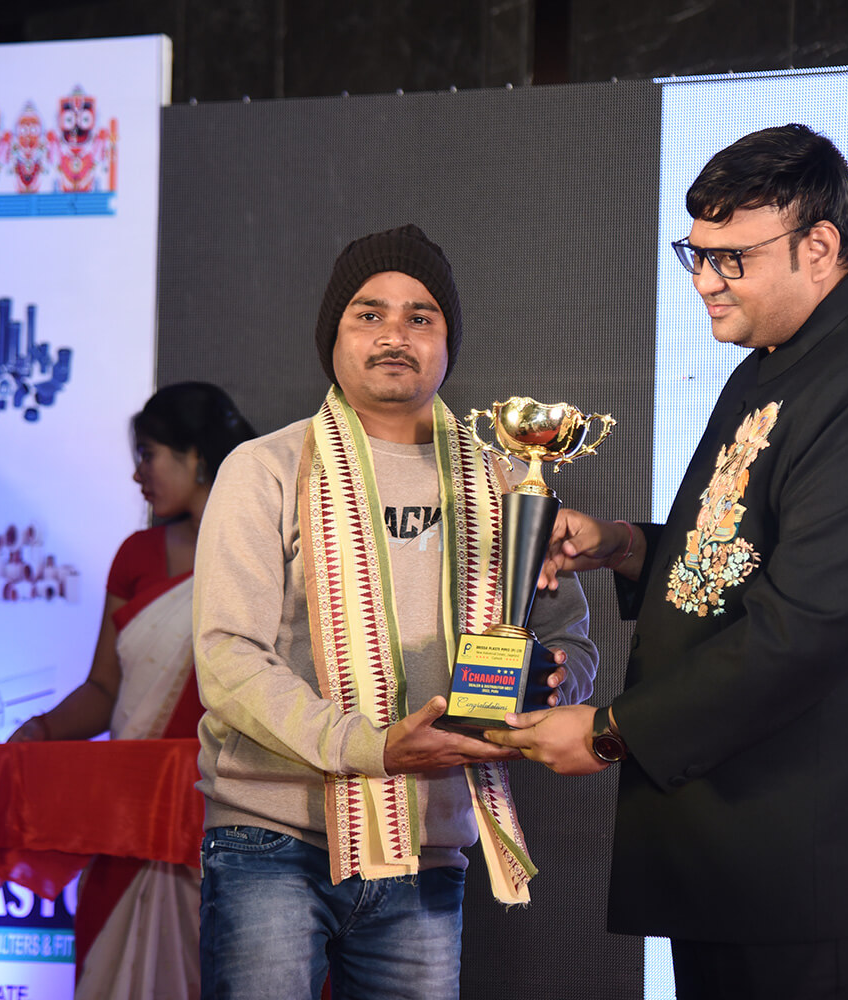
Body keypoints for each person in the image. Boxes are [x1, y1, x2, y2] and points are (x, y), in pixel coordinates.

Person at [487, 124, 848, 999]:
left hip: (829, 872)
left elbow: (807, 626)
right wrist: (625, 546)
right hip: (738, 859)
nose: (704, 281)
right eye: (697, 254)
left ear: (818, 247)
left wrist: (610, 732)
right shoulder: (778, 361)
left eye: (730, 259)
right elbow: (740, 558)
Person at [192, 224, 597, 1000]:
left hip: (428, 846)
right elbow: (227, 657)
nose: (394, 336)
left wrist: (545, 686)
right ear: (333, 335)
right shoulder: (266, 468)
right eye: (369, 314)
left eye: (421, 317)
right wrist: (370, 746)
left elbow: (566, 643)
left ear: (448, 341)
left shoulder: (507, 481)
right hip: (271, 839)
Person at [9, 380, 256, 999]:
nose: (136, 473)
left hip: (229, 820)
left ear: (195, 455)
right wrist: (40, 730)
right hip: (131, 821)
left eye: (148, 454)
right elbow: (104, 688)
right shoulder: (137, 555)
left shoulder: (269, 550)